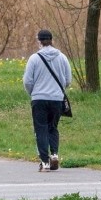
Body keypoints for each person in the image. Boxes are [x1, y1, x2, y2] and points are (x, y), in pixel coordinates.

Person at [23, 29, 72, 172]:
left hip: (39, 98)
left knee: (41, 129)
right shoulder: (62, 57)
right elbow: (68, 80)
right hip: (57, 99)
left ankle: (44, 162)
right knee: (53, 127)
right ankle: (55, 154)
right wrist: (58, 90)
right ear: (52, 40)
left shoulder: (34, 58)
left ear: (39, 41)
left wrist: (33, 93)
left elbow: (27, 81)